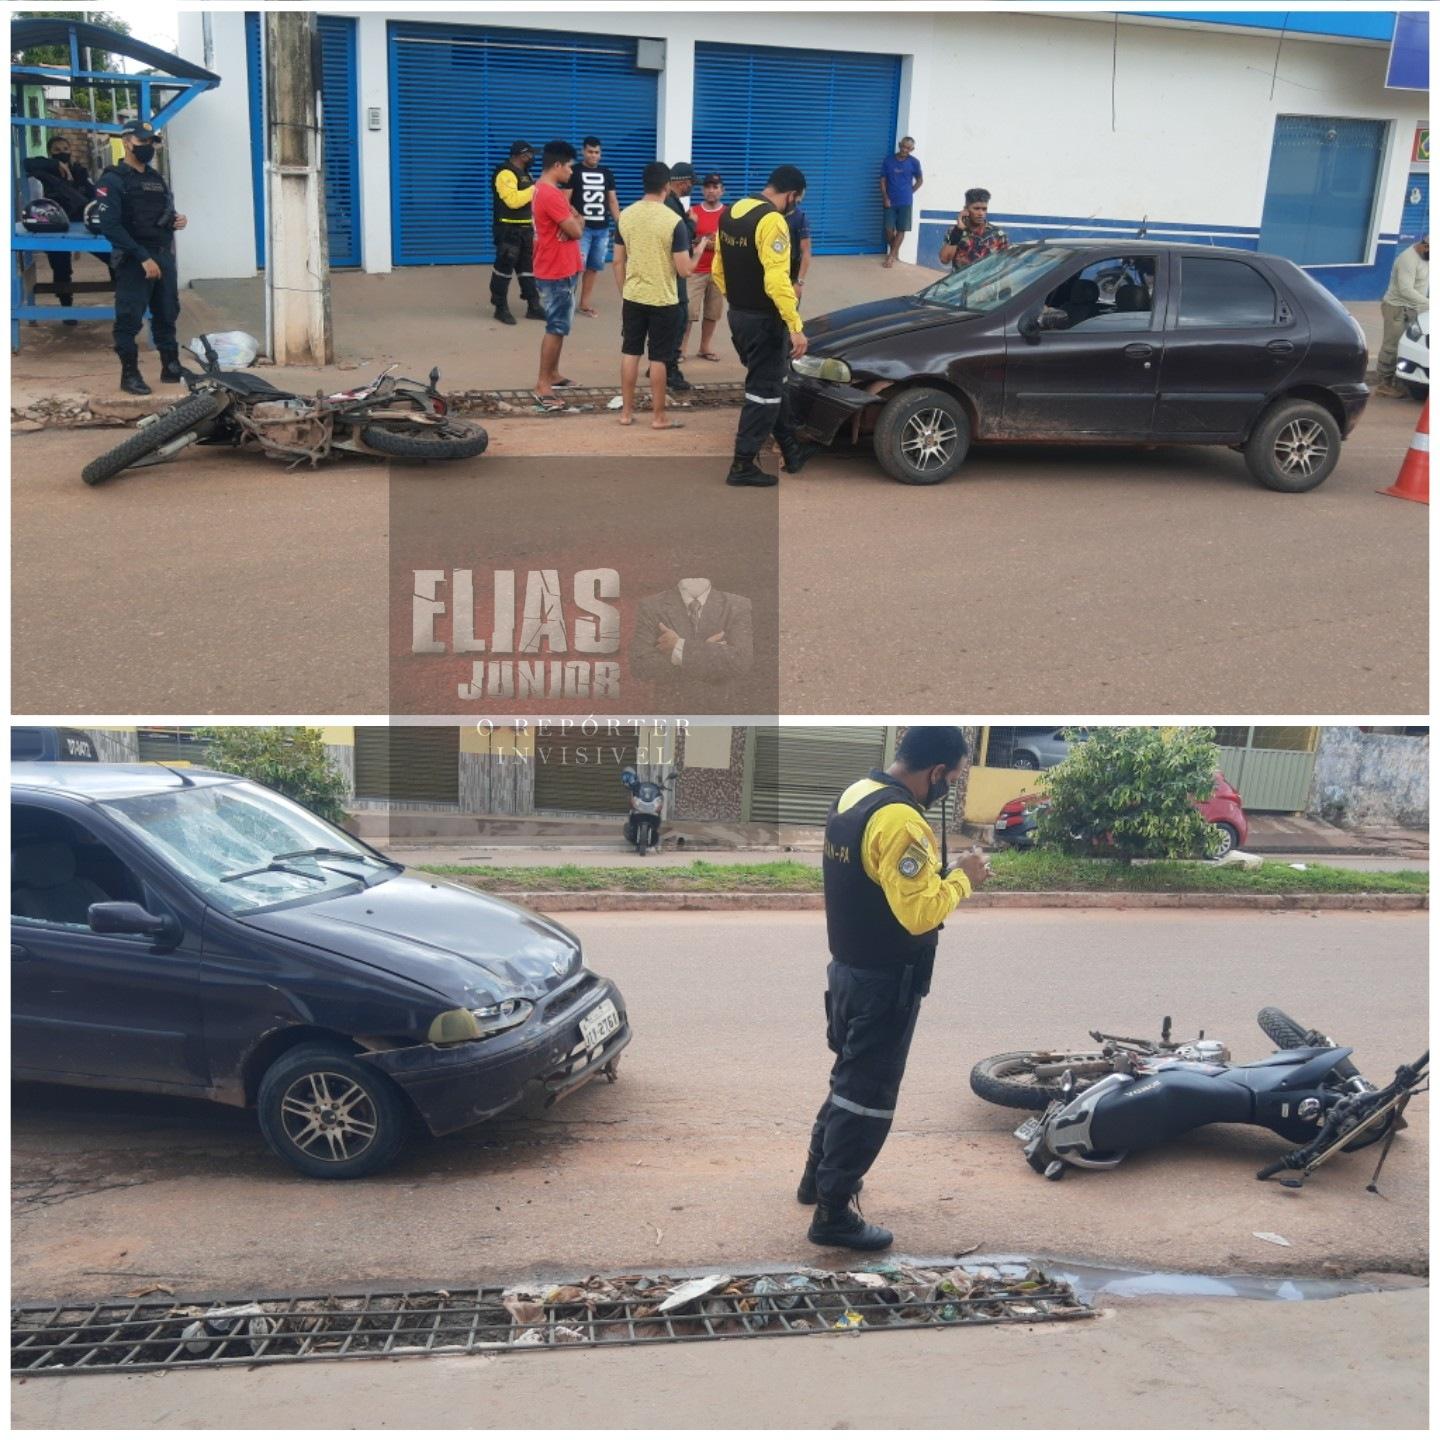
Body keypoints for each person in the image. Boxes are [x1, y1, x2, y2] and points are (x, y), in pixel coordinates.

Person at [803, 726, 990, 1251]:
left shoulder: (855, 794)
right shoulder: (903, 822)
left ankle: (814, 1177)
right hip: (884, 982)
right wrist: (964, 879)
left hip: (845, 971)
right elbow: (918, 913)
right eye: (950, 781)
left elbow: (880, 884)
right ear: (936, 773)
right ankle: (833, 1214)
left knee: (847, 1080)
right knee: (867, 1100)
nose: (946, 790)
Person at [711, 164, 816, 486]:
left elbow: (717, 268)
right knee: (764, 393)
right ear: (791, 194)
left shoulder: (731, 213)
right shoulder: (772, 221)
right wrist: (795, 325)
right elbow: (776, 280)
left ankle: (791, 449)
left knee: (774, 382)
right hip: (764, 321)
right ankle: (742, 465)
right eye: (796, 200)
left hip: (738, 315)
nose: (794, 205)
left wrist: (739, 302)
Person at [93, 120, 188, 397]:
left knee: (167, 312)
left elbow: (163, 214)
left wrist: (177, 220)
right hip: (134, 259)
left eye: (150, 142)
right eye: (142, 142)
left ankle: (171, 366)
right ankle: (130, 374)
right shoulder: (112, 179)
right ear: (126, 142)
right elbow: (110, 226)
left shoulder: (156, 179)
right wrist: (142, 257)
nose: (148, 147)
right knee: (129, 318)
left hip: (162, 254)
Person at [613, 161, 693, 429]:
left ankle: (625, 413)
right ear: (667, 187)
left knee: (630, 352)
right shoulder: (674, 221)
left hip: (633, 296)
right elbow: (684, 270)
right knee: (658, 358)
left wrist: (625, 290)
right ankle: (659, 417)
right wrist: (702, 249)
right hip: (664, 300)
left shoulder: (626, 215)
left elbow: (617, 262)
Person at [530, 140, 584, 411]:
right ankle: (543, 383)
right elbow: (576, 230)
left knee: (560, 326)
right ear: (557, 165)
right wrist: (574, 221)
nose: (572, 173)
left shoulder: (544, 191)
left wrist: (574, 218)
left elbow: (575, 222)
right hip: (556, 269)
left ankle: (552, 373)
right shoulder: (551, 195)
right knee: (556, 327)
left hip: (557, 266)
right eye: (570, 168)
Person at [25, 132, 97, 324]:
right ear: (49, 153)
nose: (62, 153)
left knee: (114, 256)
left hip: (83, 227)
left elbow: (93, 194)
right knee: (61, 268)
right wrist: (54, 165)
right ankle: (67, 308)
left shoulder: (80, 172)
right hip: (55, 228)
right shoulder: (45, 171)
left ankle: (121, 299)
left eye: (65, 149)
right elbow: (27, 164)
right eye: (56, 150)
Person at [489, 140, 544, 325]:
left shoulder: (526, 173)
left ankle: (534, 306)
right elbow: (512, 201)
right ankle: (500, 307)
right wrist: (535, 188)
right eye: (530, 154)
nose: (532, 158)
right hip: (508, 230)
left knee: (527, 269)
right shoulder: (505, 173)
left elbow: (531, 202)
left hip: (526, 229)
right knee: (504, 269)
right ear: (521, 155)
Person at [570, 135, 621, 319]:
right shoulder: (573, 171)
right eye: (590, 152)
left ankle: (584, 304)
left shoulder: (607, 173)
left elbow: (612, 201)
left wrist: (620, 226)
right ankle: (566, 303)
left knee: (593, 268)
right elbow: (564, 200)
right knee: (575, 267)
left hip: (602, 229)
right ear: (583, 151)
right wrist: (575, 217)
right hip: (581, 231)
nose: (593, 155)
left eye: (597, 152)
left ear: (601, 154)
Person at [1375, 233, 1429, 398]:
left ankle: (1401, 381)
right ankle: (1384, 384)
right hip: (1397, 308)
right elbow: (1406, 290)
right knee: (1391, 346)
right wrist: (1429, 303)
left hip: (1415, 308)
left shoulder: (1428, 259)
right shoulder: (1408, 259)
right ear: (1425, 245)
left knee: (1407, 345)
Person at [661, 162, 698, 392]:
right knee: (679, 318)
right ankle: (669, 369)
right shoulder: (671, 205)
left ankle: (659, 364)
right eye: (692, 183)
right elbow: (681, 234)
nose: (692, 187)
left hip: (667, 270)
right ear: (683, 182)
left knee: (670, 319)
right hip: (674, 271)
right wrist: (692, 223)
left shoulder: (670, 203)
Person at [684, 172, 727, 360]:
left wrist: (712, 242)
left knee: (713, 312)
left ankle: (705, 347)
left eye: (715, 187)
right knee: (688, 312)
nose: (711, 191)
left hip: (719, 271)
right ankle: (681, 349)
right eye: (708, 187)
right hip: (695, 270)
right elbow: (685, 238)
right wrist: (700, 240)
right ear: (702, 190)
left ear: (722, 191)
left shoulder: (729, 214)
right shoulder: (692, 212)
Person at [938, 187, 1008, 271]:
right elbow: (944, 259)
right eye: (976, 208)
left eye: (984, 209)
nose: (981, 213)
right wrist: (958, 230)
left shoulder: (997, 234)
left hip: (987, 283)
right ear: (966, 209)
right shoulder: (954, 232)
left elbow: (1004, 268)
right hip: (961, 283)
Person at [879, 136, 923, 269]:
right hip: (890, 201)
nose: (905, 149)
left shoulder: (914, 162)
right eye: (903, 146)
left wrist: (910, 192)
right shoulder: (888, 160)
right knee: (888, 229)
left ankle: (891, 256)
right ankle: (894, 250)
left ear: (912, 149)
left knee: (901, 229)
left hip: (905, 201)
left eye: (908, 148)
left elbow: (920, 180)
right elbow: (882, 181)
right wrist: (885, 197)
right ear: (899, 144)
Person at [787, 201, 813, 307]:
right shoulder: (770, 214)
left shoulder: (800, 218)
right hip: (771, 274)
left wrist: (799, 283)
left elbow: (806, 252)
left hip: (791, 274)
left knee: (789, 315)